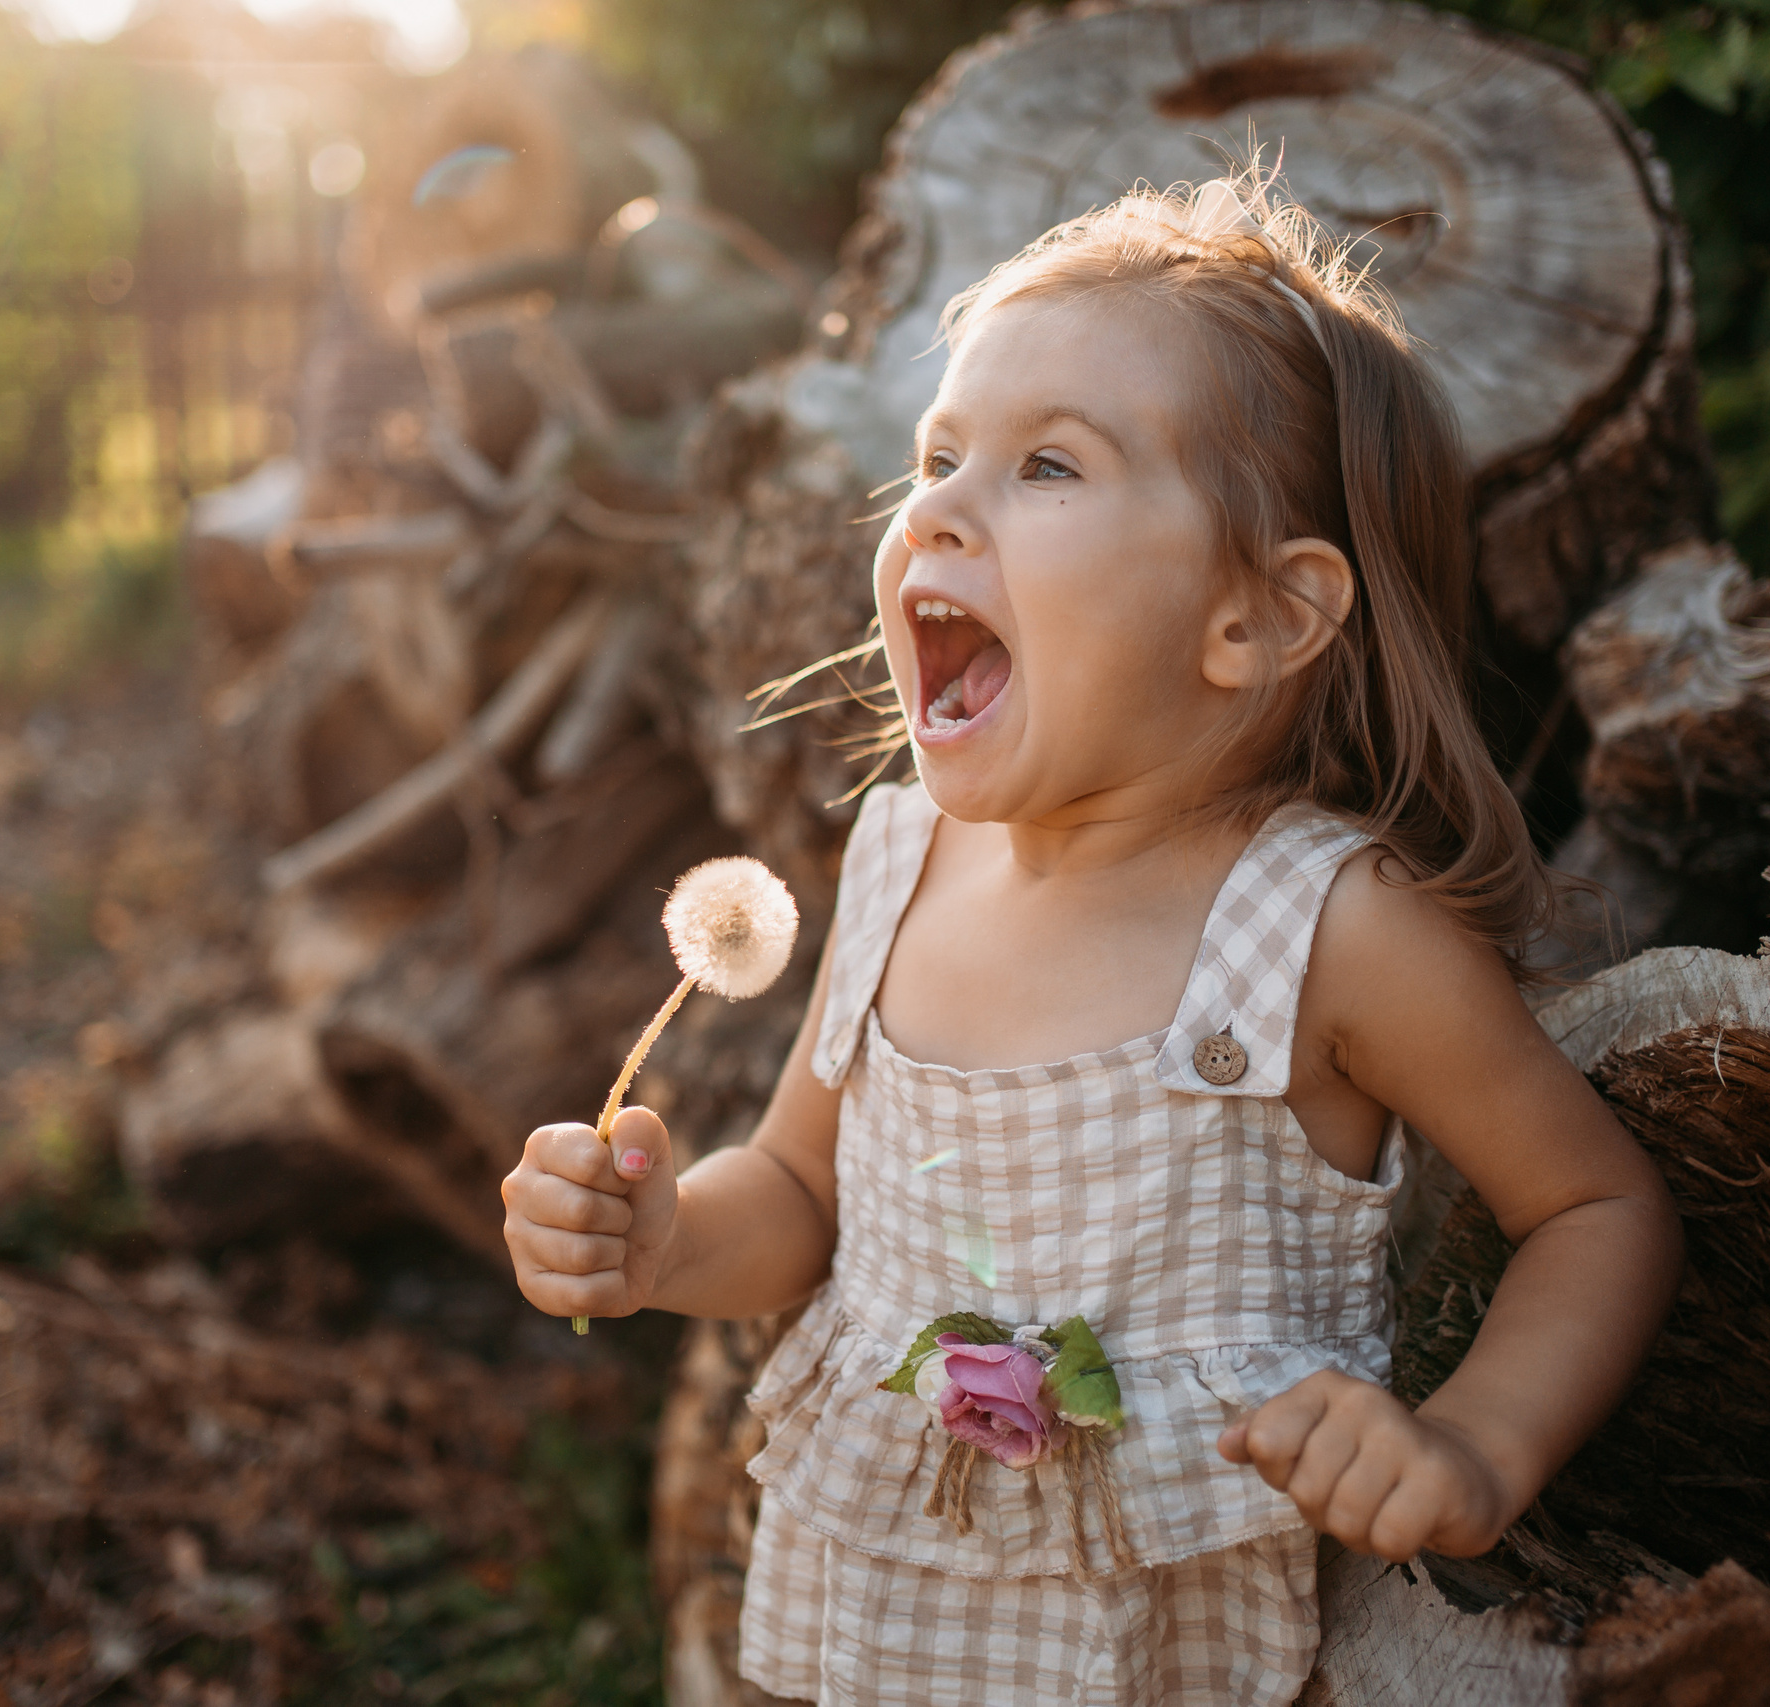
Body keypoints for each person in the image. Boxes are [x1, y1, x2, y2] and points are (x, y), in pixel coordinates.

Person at [499, 170, 1682, 1706]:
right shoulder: (899, 858)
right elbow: (800, 1190)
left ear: (1255, 619)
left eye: (1046, 466)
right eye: (938, 457)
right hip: (902, 1644)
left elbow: (1597, 1210)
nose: (934, 507)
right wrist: (662, 1241)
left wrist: (1474, 1443)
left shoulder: (1326, 930)